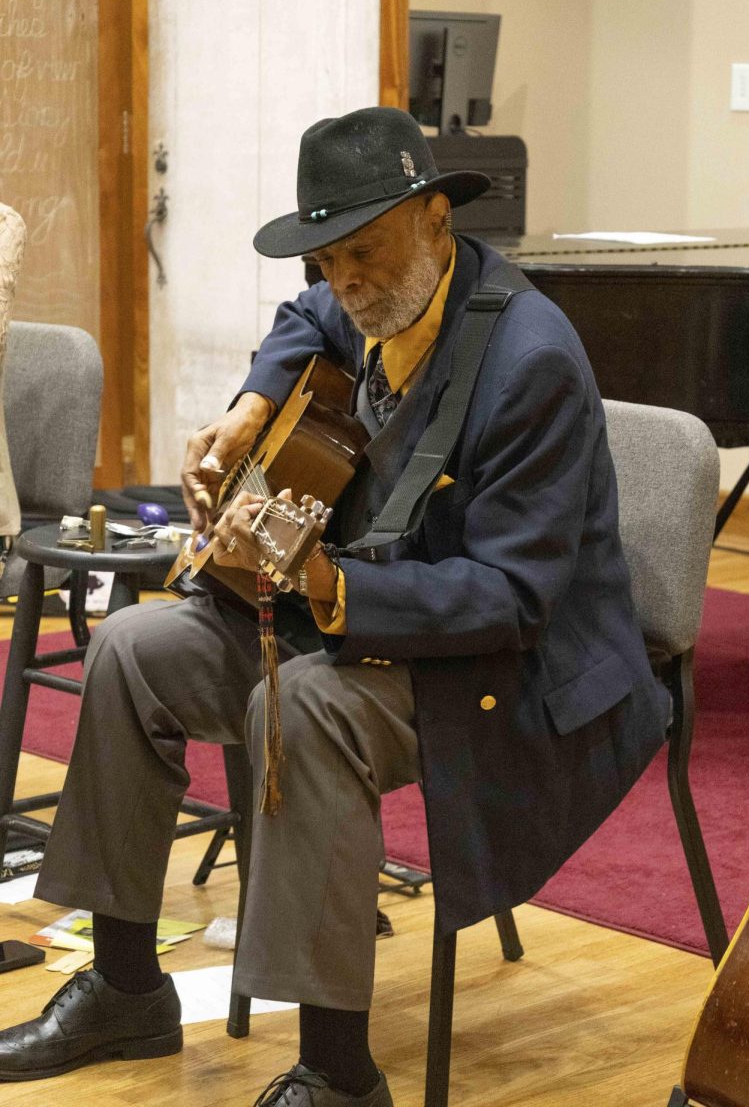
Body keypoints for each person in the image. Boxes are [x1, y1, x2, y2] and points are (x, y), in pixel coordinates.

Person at [0, 108, 670, 1105]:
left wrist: (329, 586)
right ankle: (128, 989)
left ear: (436, 221)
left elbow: (511, 597)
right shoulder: (360, 301)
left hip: (498, 666)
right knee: (133, 648)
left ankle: (339, 1073)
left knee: (302, 709)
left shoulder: (527, 360)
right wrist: (250, 407)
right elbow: (303, 324)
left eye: (367, 251)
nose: (346, 281)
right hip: (372, 618)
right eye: (327, 258)